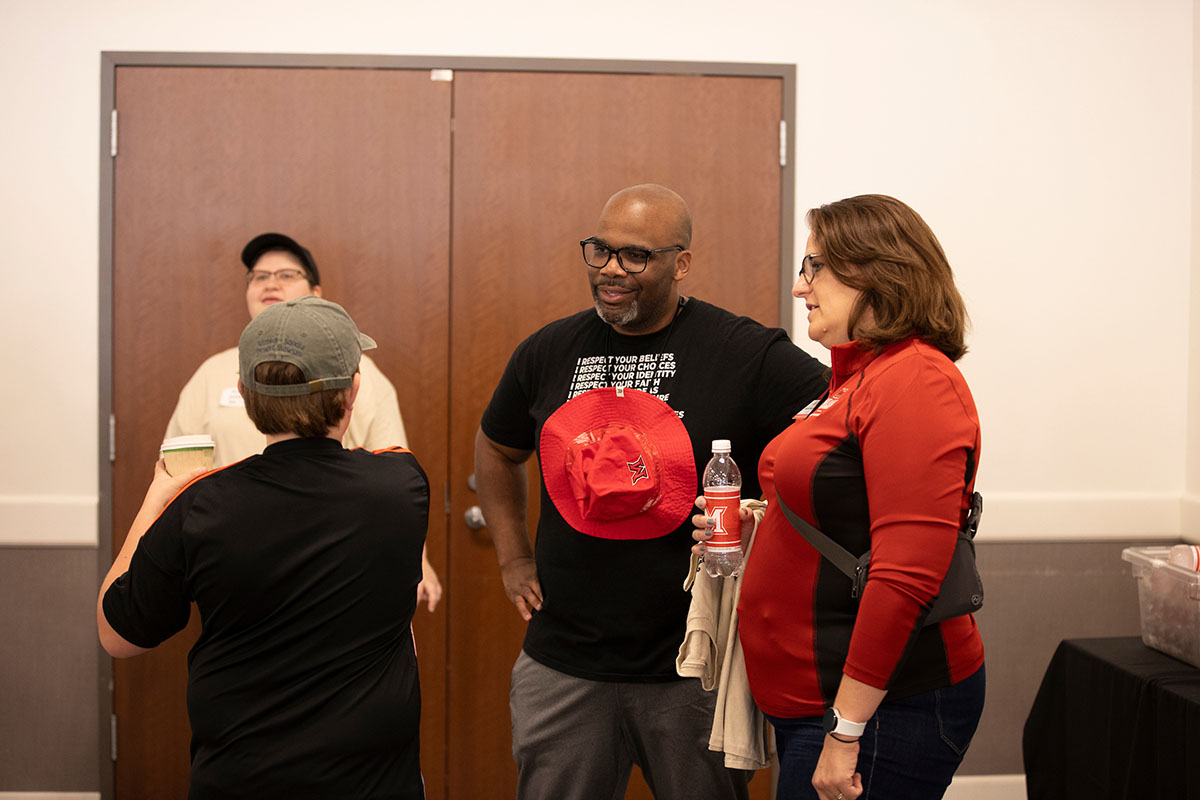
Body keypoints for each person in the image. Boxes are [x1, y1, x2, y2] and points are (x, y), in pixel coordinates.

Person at [474, 183, 827, 799]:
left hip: (691, 665)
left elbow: (839, 430)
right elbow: (498, 448)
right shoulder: (550, 349)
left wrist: (771, 534)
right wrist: (512, 557)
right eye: (600, 251)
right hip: (564, 662)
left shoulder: (744, 352)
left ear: (680, 262)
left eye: (635, 256)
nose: (612, 270)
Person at [697, 194, 986, 800]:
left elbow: (907, 573)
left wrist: (846, 731)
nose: (801, 289)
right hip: (817, 703)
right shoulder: (851, 379)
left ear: (877, 272)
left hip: (879, 712)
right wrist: (759, 534)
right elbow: (835, 512)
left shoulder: (916, 380)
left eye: (814, 268)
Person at [98, 296, 429, 799]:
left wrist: (154, 502)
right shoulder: (402, 485)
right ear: (353, 392)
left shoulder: (201, 507)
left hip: (241, 781)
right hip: (375, 785)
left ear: (243, 395)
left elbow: (118, 635)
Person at [165, 232, 441, 611]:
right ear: (244, 388)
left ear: (317, 292)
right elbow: (175, 474)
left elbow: (394, 470)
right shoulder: (212, 374)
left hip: (338, 558)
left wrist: (417, 557)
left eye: (286, 274)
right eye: (259, 276)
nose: (270, 284)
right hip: (234, 564)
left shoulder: (361, 373)